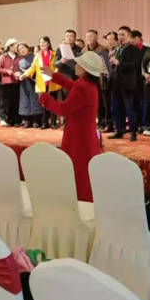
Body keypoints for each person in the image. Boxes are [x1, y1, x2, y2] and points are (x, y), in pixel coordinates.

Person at [39, 51, 103, 202]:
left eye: (78, 64)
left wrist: (45, 99)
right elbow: (72, 86)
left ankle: (81, 200)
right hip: (83, 133)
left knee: (78, 169)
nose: (75, 65)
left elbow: (64, 110)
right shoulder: (86, 83)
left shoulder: (83, 87)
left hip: (78, 136)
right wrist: (54, 75)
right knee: (82, 168)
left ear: (85, 69)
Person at [109, 26, 141, 142]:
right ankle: (119, 130)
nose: (120, 37)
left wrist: (119, 62)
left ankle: (133, 132)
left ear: (129, 36)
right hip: (116, 82)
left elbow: (135, 65)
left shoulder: (134, 49)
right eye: (119, 35)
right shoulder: (117, 49)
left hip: (127, 83)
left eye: (123, 34)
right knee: (116, 108)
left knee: (129, 108)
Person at [22, 36, 61, 129]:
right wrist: (25, 74)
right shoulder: (37, 55)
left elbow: (57, 66)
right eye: (41, 42)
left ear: (48, 43)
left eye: (44, 42)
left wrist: (54, 73)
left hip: (52, 81)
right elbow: (32, 68)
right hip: (42, 82)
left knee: (53, 103)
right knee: (44, 103)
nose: (42, 44)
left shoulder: (54, 54)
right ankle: (44, 123)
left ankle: (53, 123)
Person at [84, 30, 110, 131]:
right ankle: (95, 122)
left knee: (102, 102)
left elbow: (105, 65)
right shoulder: (84, 50)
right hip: (88, 79)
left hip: (100, 79)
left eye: (91, 36)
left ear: (96, 38)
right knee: (92, 102)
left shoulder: (102, 49)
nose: (89, 38)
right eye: (87, 36)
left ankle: (105, 122)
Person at [16, 42, 41, 128]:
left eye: (23, 48)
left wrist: (29, 73)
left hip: (33, 82)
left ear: (27, 48)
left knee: (35, 100)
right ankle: (27, 121)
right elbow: (18, 71)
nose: (22, 50)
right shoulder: (20, 61)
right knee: (25, 100)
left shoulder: (34, 57)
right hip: (24, 83)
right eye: (19, 49)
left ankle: (36, 121)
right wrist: (18, 74)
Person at [0, 38, 21, 127]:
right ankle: (9, 120)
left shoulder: (19, 56)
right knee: (7, 102)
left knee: (16, 102)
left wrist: (19, 72)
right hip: (7, 82)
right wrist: (7, 71)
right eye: (15, 45)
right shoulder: (3, 56)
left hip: (17, 82)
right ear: (10, 47)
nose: (17, 47)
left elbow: (21, 68)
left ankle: (17, 121)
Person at [131, 30, 147, 133]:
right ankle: (135, 124)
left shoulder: (146, 49)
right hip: (131, 80)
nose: (132, 40)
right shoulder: (130, 50)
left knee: (142, 103)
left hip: (142, 80)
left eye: (133, 38)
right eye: (131, 38)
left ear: (139, 38)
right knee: (134, 103)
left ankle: (142, 124)